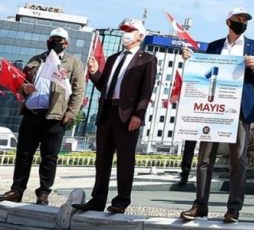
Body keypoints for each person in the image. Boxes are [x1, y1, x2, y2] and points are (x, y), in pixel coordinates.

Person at [179, 7, 254, 223]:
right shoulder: (215, 46)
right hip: (214, 108)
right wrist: (191, 59)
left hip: (239, 109)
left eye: (245, 19)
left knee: (239, 159)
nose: (243, 22)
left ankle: (233, 208)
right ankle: (200, 205)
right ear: (228, 22)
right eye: (239, 19)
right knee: (204, 159)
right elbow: (203, 70)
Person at [73, 19, 156, 214]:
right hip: (107, 112)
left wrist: (138, 114)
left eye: (130, 30)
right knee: (102, 158)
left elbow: (146, 90)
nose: (125, 33)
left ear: (140, 36)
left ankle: (121, 200)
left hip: (127, 115)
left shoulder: (147, 59)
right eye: (124, 30)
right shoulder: (113, 58)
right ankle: (98, 199)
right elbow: (104, 86)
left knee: (125, 159)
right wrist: (94, 73)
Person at [0, 28, 85, 205]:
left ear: (66, 43)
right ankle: (17, 190)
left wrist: (71, 113)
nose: (55, 41)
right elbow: (21, 83)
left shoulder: (73, 63)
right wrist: (24, 88)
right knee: (23, 154)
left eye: (59, 39)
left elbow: (78, 90)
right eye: (52, 38)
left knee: (49, 157)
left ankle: (43, 193)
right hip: (31, 114)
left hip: (54, 116)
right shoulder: (35, 60)